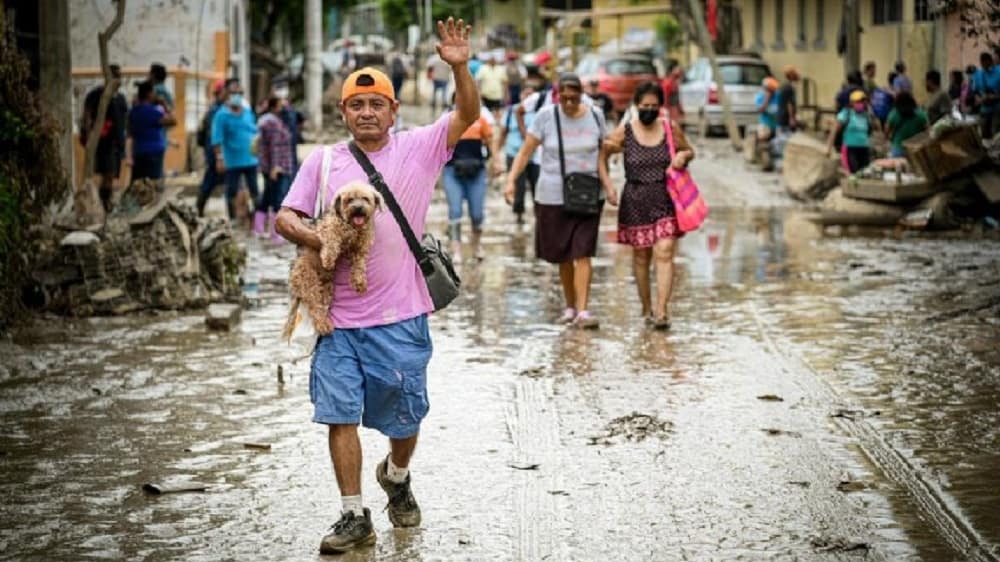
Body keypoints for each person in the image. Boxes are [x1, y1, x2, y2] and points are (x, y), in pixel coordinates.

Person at [274, 17, 480, 555]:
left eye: (376, 104)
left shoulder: (420, 148)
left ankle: (398, 472)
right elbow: (285, 217)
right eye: (356, 105)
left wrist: (459, 65)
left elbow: (468, 114)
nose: (366, 113)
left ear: (393, 110)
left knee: (405, 417)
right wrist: (317, 237)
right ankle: (352, 514)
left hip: (402, 316)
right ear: (343, 112)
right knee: (338, 414)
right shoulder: (322, 162)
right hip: (337, 321)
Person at [503, 73, 615, 329]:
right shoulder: (546, 117)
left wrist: (608, 185)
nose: (568, 103)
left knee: (583, 252)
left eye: (573, 97)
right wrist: (511, 180)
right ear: (557, 95)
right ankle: (570, 306)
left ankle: (584, 310)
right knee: (564, 254)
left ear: (581, 95)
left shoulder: (596, 115)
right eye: (563, 97)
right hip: (553, 194)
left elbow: (602, 154)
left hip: (588, 193)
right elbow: (525, 151)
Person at [600, 82, 693, 330]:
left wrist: (683, 156)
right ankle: (646, 306)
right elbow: (602, 152)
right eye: (645, 106)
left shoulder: (670, 129)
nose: (649, 110)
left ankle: (662, 311)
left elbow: (688, 149)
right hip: (635, 199)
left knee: (664, 252)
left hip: (665, 197)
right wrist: (608, 184)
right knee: (642, 256)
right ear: (636, 107)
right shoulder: (626, 132)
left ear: (660, 107)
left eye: (654, 106)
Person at [443, 93, 494, 259]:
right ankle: (455, 249)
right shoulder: (446, 121)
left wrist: (496, 162)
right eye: (459, 101)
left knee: (477, 213)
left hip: (477, 171)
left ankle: (477, 245)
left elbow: (490, 142)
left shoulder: (481, 120)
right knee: (455, 210)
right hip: (452, 171)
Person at [80, 64, 128, 211]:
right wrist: (88, 137)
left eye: (119, 76)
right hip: (103, 142)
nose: (118, 79)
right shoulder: (96, 95)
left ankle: (105, 202)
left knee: (111, 175)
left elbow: (124, 120)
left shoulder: (120, 99)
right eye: (115, 76)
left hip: (116, 142)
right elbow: (87, 117)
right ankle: (103, 204)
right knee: (107, 174)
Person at [210, 82, 259, 223]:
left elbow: (254, 133)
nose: (237, 96)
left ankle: (255, 220)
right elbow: (217, 139)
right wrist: (219, 158)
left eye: (240, 93)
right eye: (233, 93)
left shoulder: (248, 112)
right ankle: (232, 220)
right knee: (231, 191)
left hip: (250, 159)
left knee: (254, 191)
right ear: (227, 94)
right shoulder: (221, 115)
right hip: (232, 161)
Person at [494, 84, 540, 225]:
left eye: (531, 95)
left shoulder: (540, 113)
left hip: (535, 158)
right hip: (514, 156)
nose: (528, 98)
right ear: (520, 96)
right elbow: (502, 134)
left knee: (537, 188)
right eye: (525, 95)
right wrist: (495, 156)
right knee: (518, 187)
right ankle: (519, 216)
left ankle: (540, 217)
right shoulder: (511, 112)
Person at [257, 95, 295, 243]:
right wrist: (275, 167)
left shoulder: (275, 120)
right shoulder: (271, 123)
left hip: (278, 165)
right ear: (274, 106)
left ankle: (259, 229)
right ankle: (275, 233)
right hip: (277, 167)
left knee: (267, 197)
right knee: (278, 200)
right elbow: (274, 146)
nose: (284, 106)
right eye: (281, 104)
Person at [128, 80, 176, 183]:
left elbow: (131, 134)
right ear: (149, 94)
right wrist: (164, 105)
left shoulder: (133, 112)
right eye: (154, 92)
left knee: (138, 183)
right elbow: (173, 121)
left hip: (138, 151)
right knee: (153, 183)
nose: (155, 95)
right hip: (153, 153)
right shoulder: (153, 112)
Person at [195, 79, 227, 216]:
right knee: (211, 181)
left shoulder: (216, 109)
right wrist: (217, 156)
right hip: (216, 153)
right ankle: (198, 209)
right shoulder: (217, 111)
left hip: (217, 152)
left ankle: (199, 209)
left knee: (228, 183)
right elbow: (213, 136)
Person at [827, 90, 879, 173]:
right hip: (850, 149)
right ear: (851, 103)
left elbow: (876, 128)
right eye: (858, 101)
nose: (860, 104)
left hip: (864, 149)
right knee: (853, 173)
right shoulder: (846, 114)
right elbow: (834, 130)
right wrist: (828, 149)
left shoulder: (866, 115)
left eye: (862, 101)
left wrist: (871, 112)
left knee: (865, 173)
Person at [886, 91, 928, 157]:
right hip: (917, 150)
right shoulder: (920, 114)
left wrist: (890, 138)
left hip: (898, 148)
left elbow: (887, 131)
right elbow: (928, 131)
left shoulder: (893, 114)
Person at [972, 51, 1000, 139]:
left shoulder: (998, 71)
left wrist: (992, 97)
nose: (984, 67)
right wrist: (978, 99)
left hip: (997, 108)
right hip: (984, 109)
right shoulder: (978, 74)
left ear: (990, 61)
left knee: (995, 132)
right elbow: (975, 91)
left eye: (986, 64)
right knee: (984, 134)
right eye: (982, 64)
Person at [477, 55, 506, 119]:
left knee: (498, 111)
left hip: (497, 95)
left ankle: (497, 124)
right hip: (486, 94)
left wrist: (505, 93)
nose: (493, 61)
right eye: (491, 60)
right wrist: (479, 92)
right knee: (487, 111)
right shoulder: (483, 68)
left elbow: (505, 82)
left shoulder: (500, 69)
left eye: (494, 60)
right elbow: (478, 81)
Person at [777, 65, 800, 132]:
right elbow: (789, 104)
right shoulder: (789, 87)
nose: (798, 75)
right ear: (791, 76)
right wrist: (791, 118)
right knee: (786, 137)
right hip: (786, 118)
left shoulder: (784, 86)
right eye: (796, 73)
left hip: (782, 116)